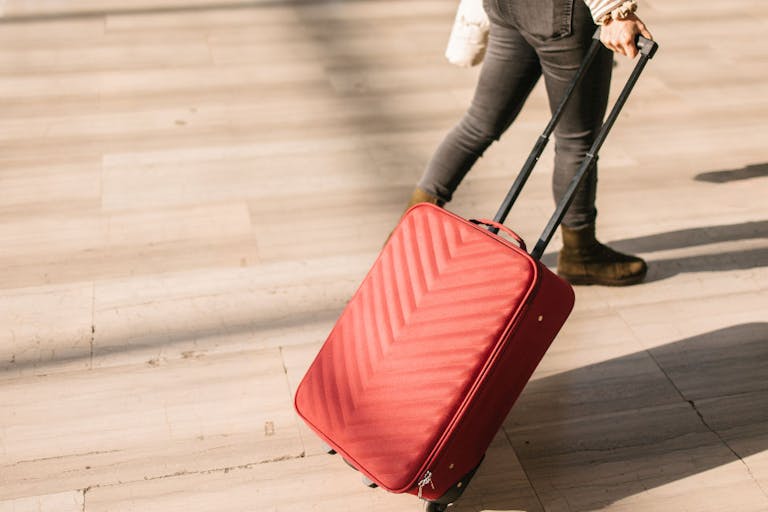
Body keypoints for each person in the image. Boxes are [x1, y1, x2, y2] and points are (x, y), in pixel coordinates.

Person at [406, 0, 653, 286]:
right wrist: (614, 11)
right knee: (576, 141)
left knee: (479, 123)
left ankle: (408, 233)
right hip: (561, 11)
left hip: (507, 6)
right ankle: (580, 253)